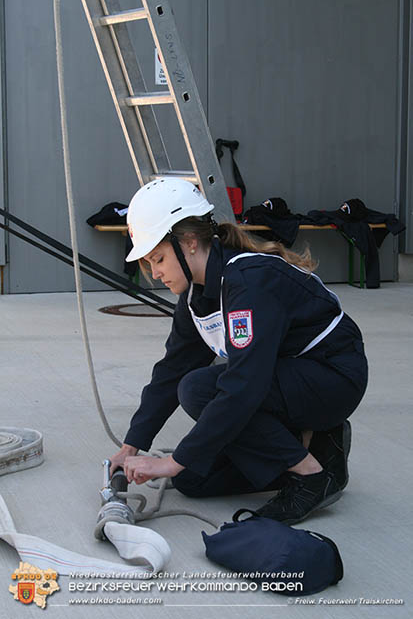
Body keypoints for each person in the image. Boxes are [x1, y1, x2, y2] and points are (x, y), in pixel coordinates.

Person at [109, 178, 368, 525]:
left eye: (158, 258)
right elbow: (172, 369)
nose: (155, 273)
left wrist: (172, 460)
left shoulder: (248, 281)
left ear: (187, 243)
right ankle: (313, 448)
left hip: (333, 378)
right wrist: (132, 445)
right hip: (290, 375)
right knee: (192, 479)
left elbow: (245, 385)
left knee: (199, 390)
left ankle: (311, 475)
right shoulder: (196, 294)